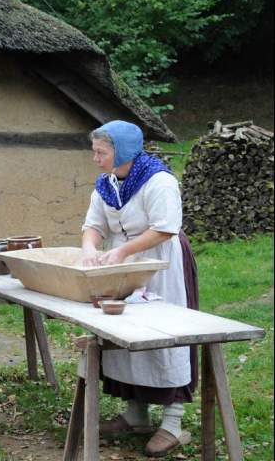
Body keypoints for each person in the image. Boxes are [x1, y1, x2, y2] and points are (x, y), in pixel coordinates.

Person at [81, 120, 199, 458]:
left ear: (123, 152)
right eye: (94, 151)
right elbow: (93, 224)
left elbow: (165, 228)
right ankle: (136, 414)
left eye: (101, 152)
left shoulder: (158, 181)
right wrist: (91, 249)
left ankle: (173, 422)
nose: (95, 158)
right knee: (126, 337)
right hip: (125, 264)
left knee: (165, 337)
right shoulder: (106, 184)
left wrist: (121, 251)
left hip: (161, 264)